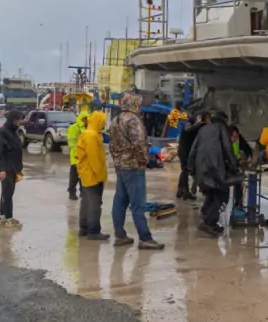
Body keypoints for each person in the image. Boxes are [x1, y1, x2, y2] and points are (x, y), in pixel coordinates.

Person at [108, 91, 165, 250]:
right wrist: (144, 160)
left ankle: (120, 235)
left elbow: (112, 145)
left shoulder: (115, 120)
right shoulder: (133, 120)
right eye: (138, 104)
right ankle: (145, 238)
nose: (139, 107)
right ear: (133, 104)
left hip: (121, 166)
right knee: (138, 204)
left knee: (120, 201)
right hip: (133, 167)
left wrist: (118, 161)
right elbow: (139, 143)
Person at [188, 111, 239, 237]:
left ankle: (209, 218)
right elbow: (228, 148)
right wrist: (234, 166)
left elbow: (193, 150)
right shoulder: (221, 128)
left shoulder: (202, 130)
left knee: (212, 193)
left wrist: (191, 169)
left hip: (202, 169)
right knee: (223, 196)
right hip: (215, 169)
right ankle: (209, 222)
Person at [76, 111, 110, 241]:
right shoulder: (92, 136)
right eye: (102, 122)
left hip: (85, 173)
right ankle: (94, 231)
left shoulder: (87, 133)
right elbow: (94, 158)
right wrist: (99, 175)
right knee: (94, 204)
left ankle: (84, 228)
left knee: (86, 202)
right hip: (92, 175)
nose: (103, 124)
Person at [0, 110, 25, 227]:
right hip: (5, 168)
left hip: (13, 167)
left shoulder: (13, 132)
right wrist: (0, 169)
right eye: (19, 119)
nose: (21, 121)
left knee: (7, 192)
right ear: (13, 120)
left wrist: (18, 168)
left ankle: (3, 217)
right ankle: (9, 218)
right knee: (7, 193)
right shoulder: (2, 133)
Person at [177, 112, 209, 201]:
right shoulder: (188, 124)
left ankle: (181, 189)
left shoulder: (197, 126)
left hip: (189, 152)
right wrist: (199, 124)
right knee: (185, 170)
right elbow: (189, 130)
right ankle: (185, 191)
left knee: (185, 171)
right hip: (184, 151)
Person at [228, 124, 253, 209]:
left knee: (238, 183)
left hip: (235, 163)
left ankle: (238, 203)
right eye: (234, 137)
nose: (235, 139)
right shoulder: (223, 141)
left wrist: (249, 156)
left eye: (236, 136)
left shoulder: (239, 139)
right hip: (225, 164)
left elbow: (246, 147)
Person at [66, 111, 89, 201]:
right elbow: (72, 143)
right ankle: (71, 192)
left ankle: (83, 193)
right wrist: (77, 154)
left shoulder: (85, 128)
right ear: (83, 119)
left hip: (83, 157)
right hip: (76, 157)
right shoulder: (74, 128)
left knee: (83, 177)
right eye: (87, 119)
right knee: (74, 177)